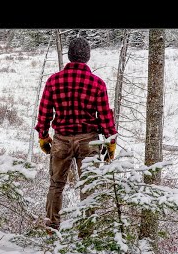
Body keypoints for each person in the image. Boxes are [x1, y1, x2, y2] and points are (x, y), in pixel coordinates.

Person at [35, 37, 118, 231]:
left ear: (69, 56)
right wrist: (110, 142)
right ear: (87, 57)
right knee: (88, 187)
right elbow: (105, 115)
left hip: (61, 140)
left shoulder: (53, 81)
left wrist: (43, 136)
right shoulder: (97, 83)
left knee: (56, 185)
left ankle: (52, 227)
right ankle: (87, 233)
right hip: (88, 141)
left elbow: (45, 111)